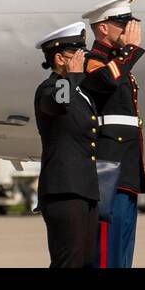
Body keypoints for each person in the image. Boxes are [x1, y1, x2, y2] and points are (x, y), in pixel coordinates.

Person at [80, 0, 145, 269]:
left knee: (123, 252)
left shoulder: (119, 64)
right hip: (109, 171)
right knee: (107, 251)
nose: (129, 28)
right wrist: (129, 51)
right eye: (122, 23)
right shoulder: (93, 61)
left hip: (126, 170)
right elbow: (103, 82)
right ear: (103, 28)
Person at [33, 22, 100, 268]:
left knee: (85, 261)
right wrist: (71, 75)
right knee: (68, 262)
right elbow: (60, 103)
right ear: (60, 58)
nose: (83, 60)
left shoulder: (80, 93)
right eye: (77, 55)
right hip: (63, 191)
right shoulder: (50, 89)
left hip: (86, 190)